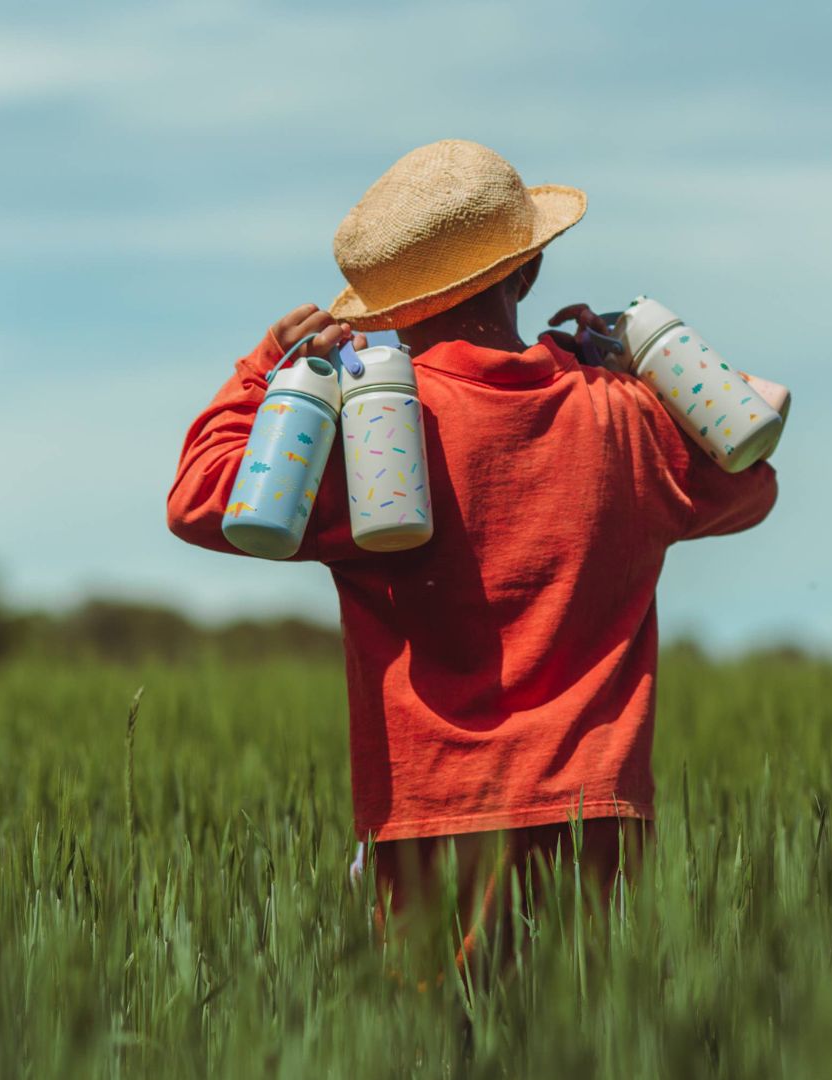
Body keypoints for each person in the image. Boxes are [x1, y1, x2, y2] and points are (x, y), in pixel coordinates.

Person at [167, 139, 778, 972]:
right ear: (526, 274)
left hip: (432, 822)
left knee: (438, 1050)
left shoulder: (379, 441)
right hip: (597, 820)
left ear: (386, 309)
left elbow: (204, 498)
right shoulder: (625, 418)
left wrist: (264, 374)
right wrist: (637, 367)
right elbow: (749, 484)